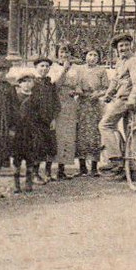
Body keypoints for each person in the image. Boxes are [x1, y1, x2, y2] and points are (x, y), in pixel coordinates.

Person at [98, 34, 136, 175]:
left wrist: (132, 98)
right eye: (120, 46)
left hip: (126, 100)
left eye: (125, 45)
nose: (123, 48)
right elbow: (115, 80)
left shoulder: (134, 61)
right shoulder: (120, 62)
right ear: (117, 49)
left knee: (105, 125)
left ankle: (115, 158)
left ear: (131, 45)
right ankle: (129, 170)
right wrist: (108, 94)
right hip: (124, 99)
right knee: (129, 133)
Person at [75, 49, 109, 176]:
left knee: (95, 134)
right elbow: (76, 84)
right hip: (82, 104)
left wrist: (98, 94)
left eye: (95, 55)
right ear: (85, 56)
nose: (92, 57)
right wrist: (79, 91)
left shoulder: (101, 70)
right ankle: (82, 167)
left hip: (95, 105)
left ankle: (94, 168)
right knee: (81, 134)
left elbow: (106, 88)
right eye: (90, 54)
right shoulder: (79, 70)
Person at [0, 60, 20, 195]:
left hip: (3, 126)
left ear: (7, 72)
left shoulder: (10, 88)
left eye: (3, 71)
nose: (0, 73)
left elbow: (15, 110)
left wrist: (12, 128)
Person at [31, 58, 60, 182]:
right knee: (37, 146)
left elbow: (56, 103)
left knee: (50, 145)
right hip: (36, 120)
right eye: (41, 66)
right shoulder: (33, 83)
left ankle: (48, 172)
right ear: (36, 68)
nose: (44, 69)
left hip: (49, 119)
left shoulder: (50, 84)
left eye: (47, 66)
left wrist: (53, 118)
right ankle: (34, 173)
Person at [12, 71, 40, 194]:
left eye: (30, 81)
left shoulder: (36, 98)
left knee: (30, 157)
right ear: (19, 84)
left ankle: (29, 182)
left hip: (31, 132)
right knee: (17, 158)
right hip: (19, 132)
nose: (27, 84)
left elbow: (40, 114)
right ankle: (16, 184)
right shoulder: (16, 97)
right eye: (24, 81)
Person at [53, 42, 78, 179]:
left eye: (67, 52)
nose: (64, 55)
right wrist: (64, 70)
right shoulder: (54, 68)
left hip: (70, 104)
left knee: (68, 135)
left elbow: (78, 85)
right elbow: (55, 85)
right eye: (61, 52)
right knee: (58, 134)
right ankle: (54, 168)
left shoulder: (76, 69)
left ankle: (62, 168)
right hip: (58, 102)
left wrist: (76, 91)